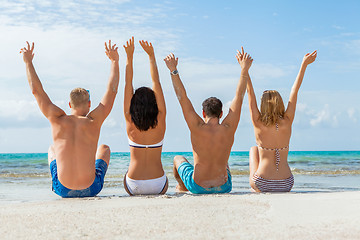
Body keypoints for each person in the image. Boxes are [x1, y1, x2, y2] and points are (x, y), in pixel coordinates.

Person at [20, 40, 120, 198]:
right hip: (91, 188)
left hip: (63, 190)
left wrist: (28, 62)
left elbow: (36, 91)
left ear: (69, 104)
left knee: (52, 149)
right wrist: (114, 61)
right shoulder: (94, 120)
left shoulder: (56, 118)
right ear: (89, 104)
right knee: (104, 148)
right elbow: (112, 91)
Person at [164, 49, 252, 194]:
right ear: (221, 114)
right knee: (224, 162)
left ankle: (181, 187)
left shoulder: (197, 127)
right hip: (224, 187)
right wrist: (244, 69)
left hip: (197, 187)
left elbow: (182, 98)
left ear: (203, 113)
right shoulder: (228, 127)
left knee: (178, 158)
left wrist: (173, 70)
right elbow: (239, 97)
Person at [246, 49, 317, 192]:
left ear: (263, 105)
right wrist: (304, 65)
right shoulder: (287, 120)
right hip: (287, 183)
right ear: (281, 103)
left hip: (262, 183)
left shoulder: (258, 122)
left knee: (254, 149)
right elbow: (294, 91)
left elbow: (250, 94)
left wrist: (245, 70)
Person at [123, 37, 168, 195]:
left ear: (134, 104)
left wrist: (129, 57)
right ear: (154, 104)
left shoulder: (129, 118)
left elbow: (128, 83)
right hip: (159, 184)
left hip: (133, 184)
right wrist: (151, 56)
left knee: (126, 175)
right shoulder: (161, 117)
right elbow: (157, 82)